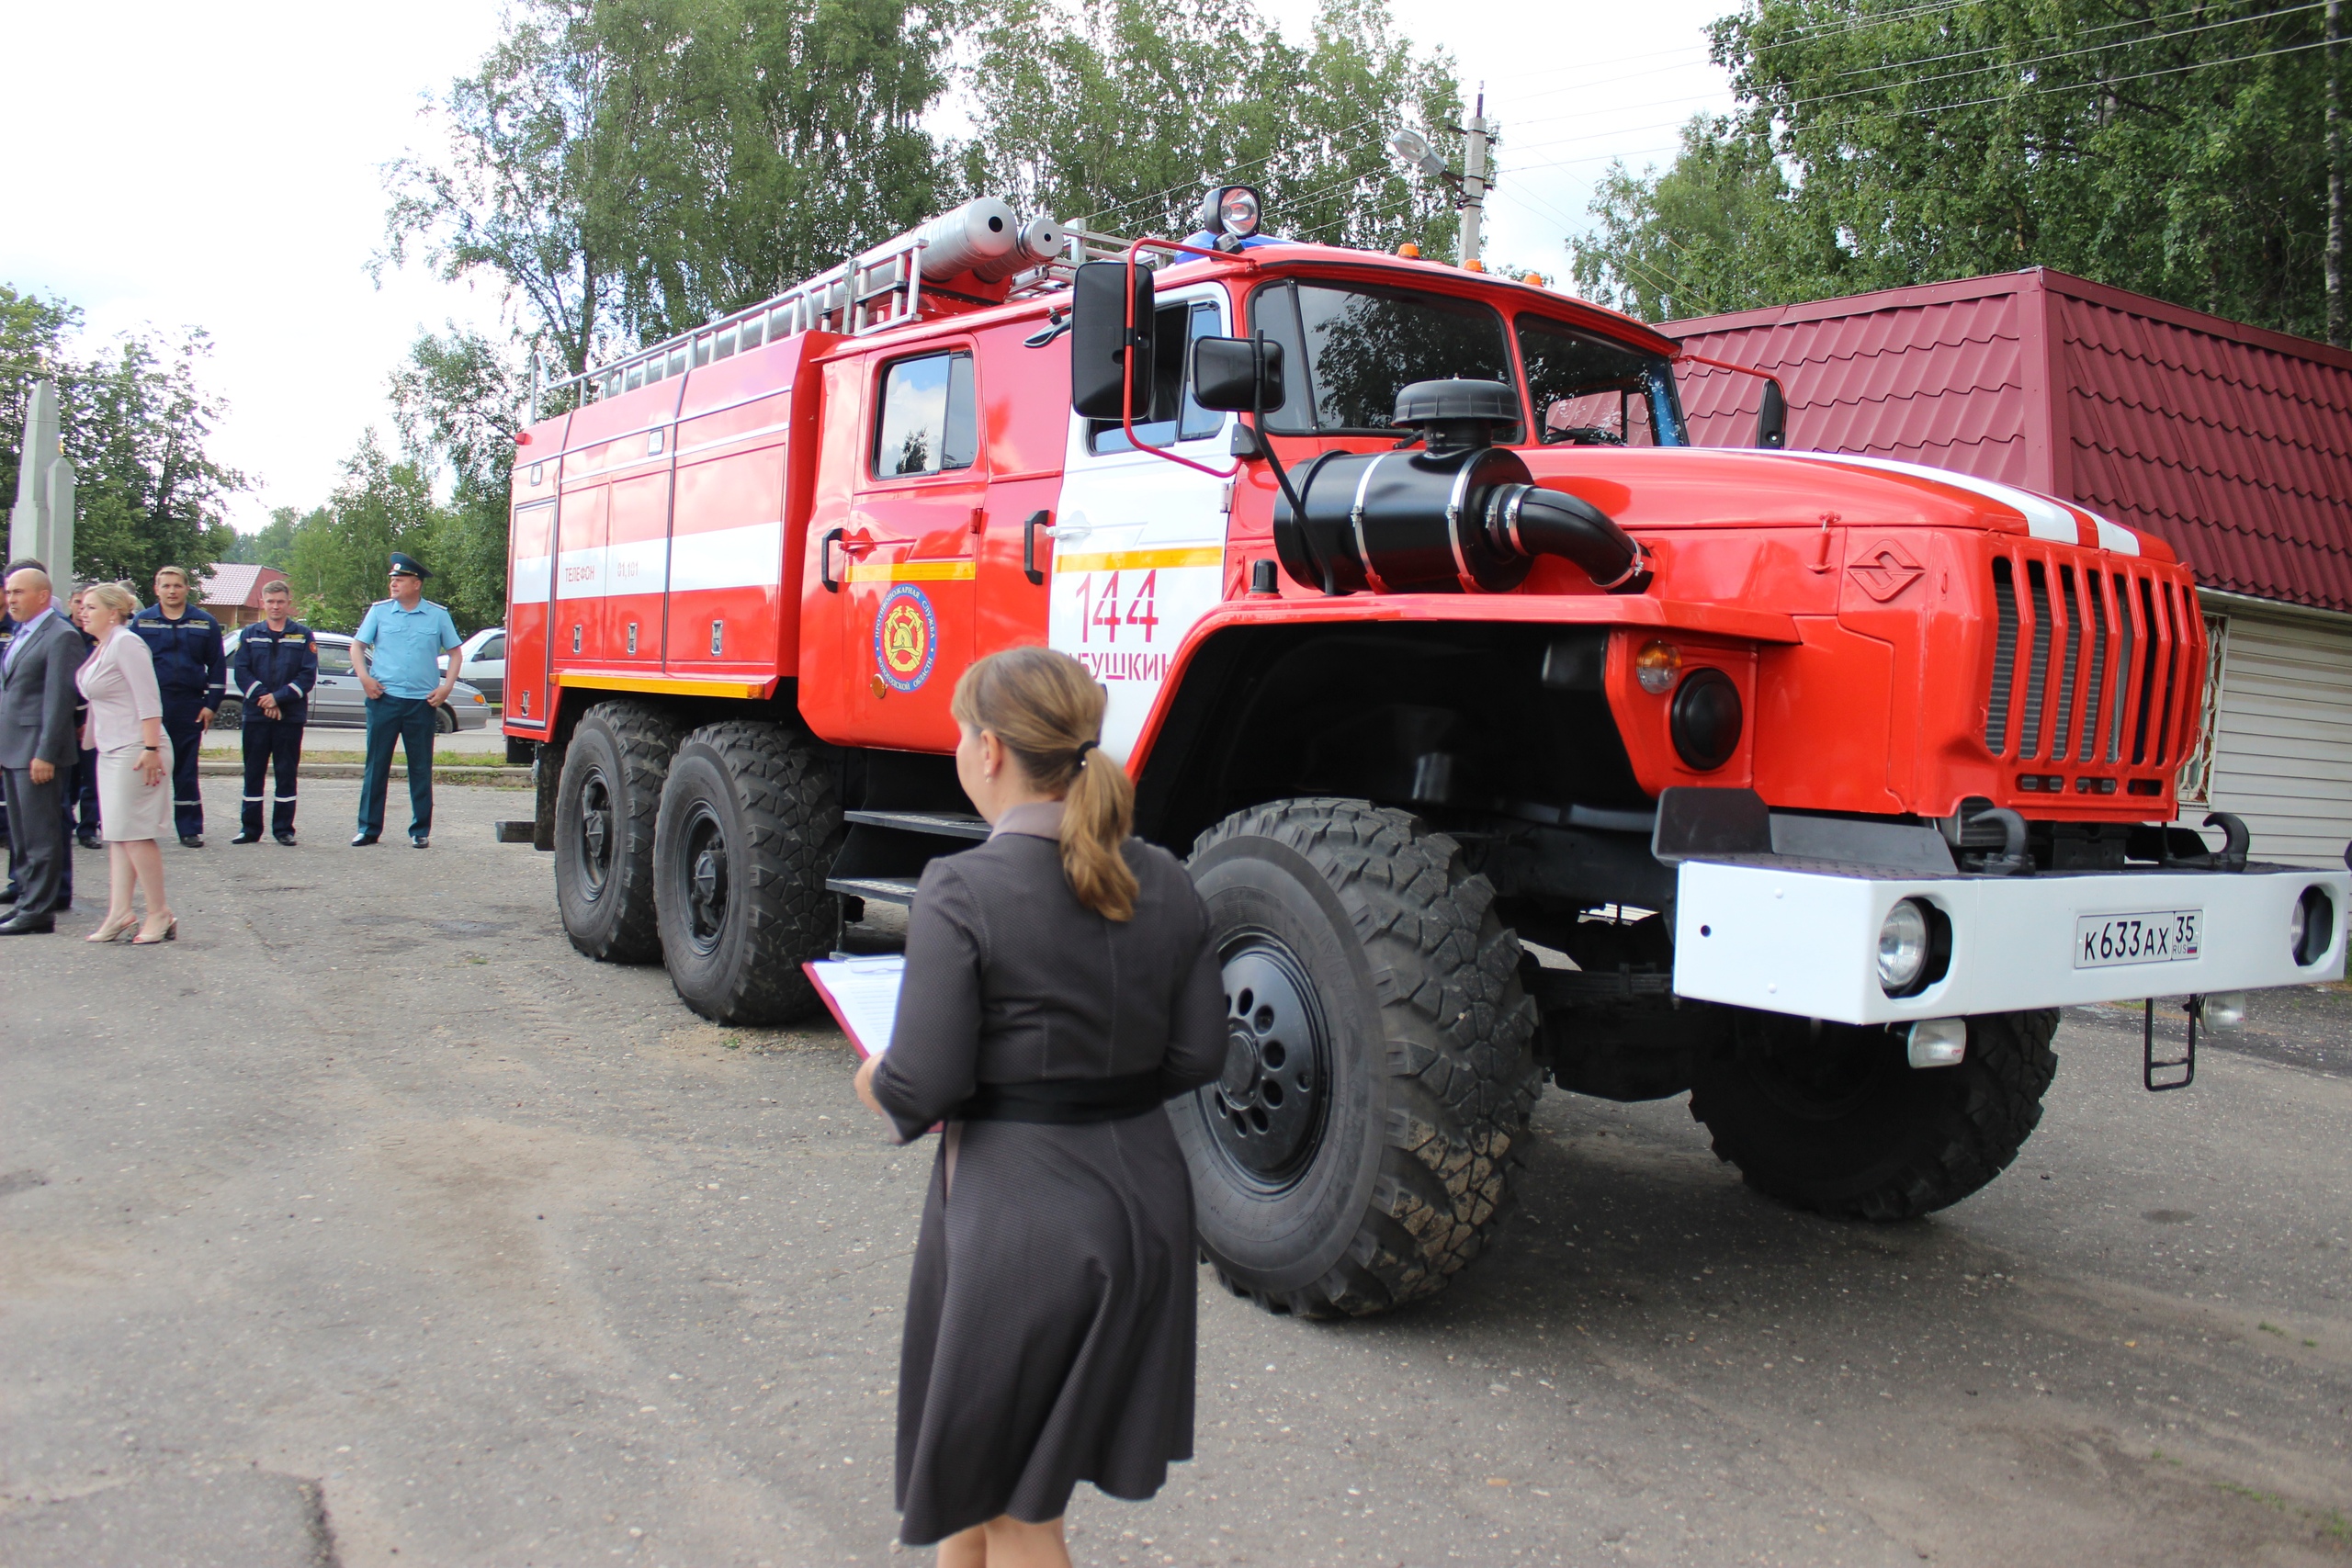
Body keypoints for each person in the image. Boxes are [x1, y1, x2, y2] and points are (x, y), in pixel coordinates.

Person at [852, 647, 1226, 1565]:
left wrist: (873, 1078)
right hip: (1142, 1199)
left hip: (1020, 1217)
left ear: (988, 750)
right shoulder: (1168, 878)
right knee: (979, 1480)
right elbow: (1200, 1052)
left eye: (955, 731)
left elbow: (923, 1082)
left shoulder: (963, 886)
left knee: (1022, 1514)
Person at [77, 581, 175, 943]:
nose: (83, 612)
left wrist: (150, 748)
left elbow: (149, 698)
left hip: (138, 748)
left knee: (135, 834)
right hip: (111, 748)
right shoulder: (103, 646)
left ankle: (159, 912)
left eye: (90, 607)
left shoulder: (126, 642)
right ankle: (120, 912)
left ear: (114, 613)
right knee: (117, 835)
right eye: (82, 606)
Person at [0, 565, 88, 935]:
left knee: (41, 835)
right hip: (14, 748)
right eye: (9, 592)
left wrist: (46, 754)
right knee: (21, 836)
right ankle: (26, 900)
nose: (10, 599)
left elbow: (57, 702)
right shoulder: (23, 632)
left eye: (18, 593)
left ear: (41, 595)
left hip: (38, 752)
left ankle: (39, 911)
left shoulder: (60, 636)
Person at [351, 553, 460, 849]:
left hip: (421, 704)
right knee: (376, 766)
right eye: (392, 580)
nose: (394, 584)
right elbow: (357, 646)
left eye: (400, 580)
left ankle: (420, 830)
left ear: (416, 583)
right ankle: (368, 828)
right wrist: (365, 678)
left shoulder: (438, 615)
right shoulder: (379, 612)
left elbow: (455, 653)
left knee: (420, 767)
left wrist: (447, 687)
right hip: (384, 699)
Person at [130, 564, 225, 847]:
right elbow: (132, 666)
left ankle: (189, 827)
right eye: (166, 586)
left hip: (189, 704)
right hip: (152, 706)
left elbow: (217, 666)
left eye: (177, 585)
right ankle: (142, 827)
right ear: (156, 589)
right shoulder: (142, 622)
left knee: (185, 769)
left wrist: (211, 705)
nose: (171, 591)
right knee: (148, 766)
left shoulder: (204, 622)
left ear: (186, 588)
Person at [229, 581, 317, 845]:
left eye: (280, 601)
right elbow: (241, 671)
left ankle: (283, 829)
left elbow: (307, 676)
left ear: (289, 602)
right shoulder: (249, 634)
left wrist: (277, 699)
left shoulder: (303, 635)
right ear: (263, 603)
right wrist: (264, 699)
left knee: (286, 771)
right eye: (270, 602)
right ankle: (250, 829)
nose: (275, 606)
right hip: (256, 715)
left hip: (289, 716)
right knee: (253, 771)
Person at [67, 589, 101, 849]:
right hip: (65, 718)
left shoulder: (100, 638)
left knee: (92, 777)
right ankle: (63, 822)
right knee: (67, 777)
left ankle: (88, 828)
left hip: (94, 719)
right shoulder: (61, 633)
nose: (82, 609)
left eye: (88, 604)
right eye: (78, 602)